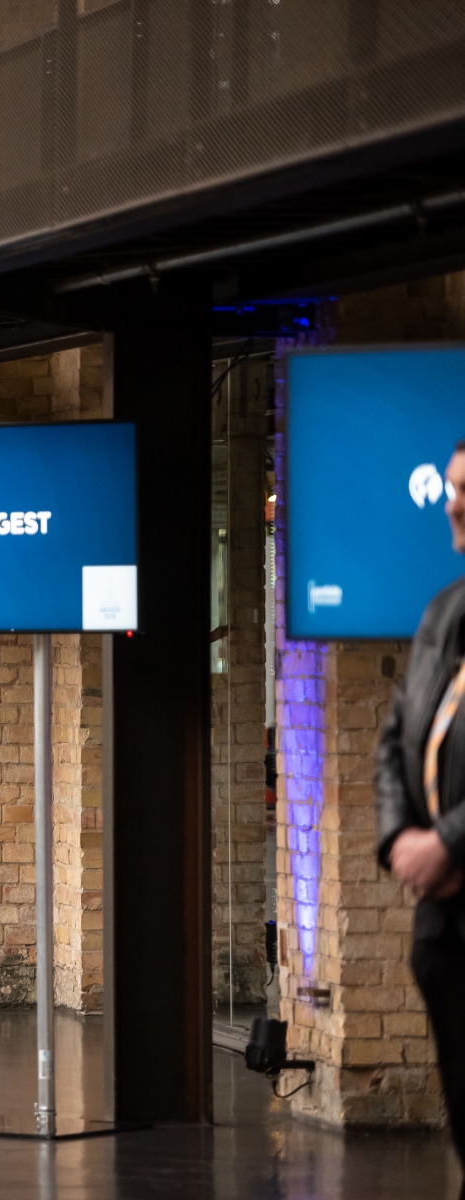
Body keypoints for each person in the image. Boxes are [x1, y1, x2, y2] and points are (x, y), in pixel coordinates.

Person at [381, 439, 465, 1191]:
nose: (451, 504)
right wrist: (399, 837)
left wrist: (449, 842)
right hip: (444, 923)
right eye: (451, 486)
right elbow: (396, 732)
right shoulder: (444, 609)